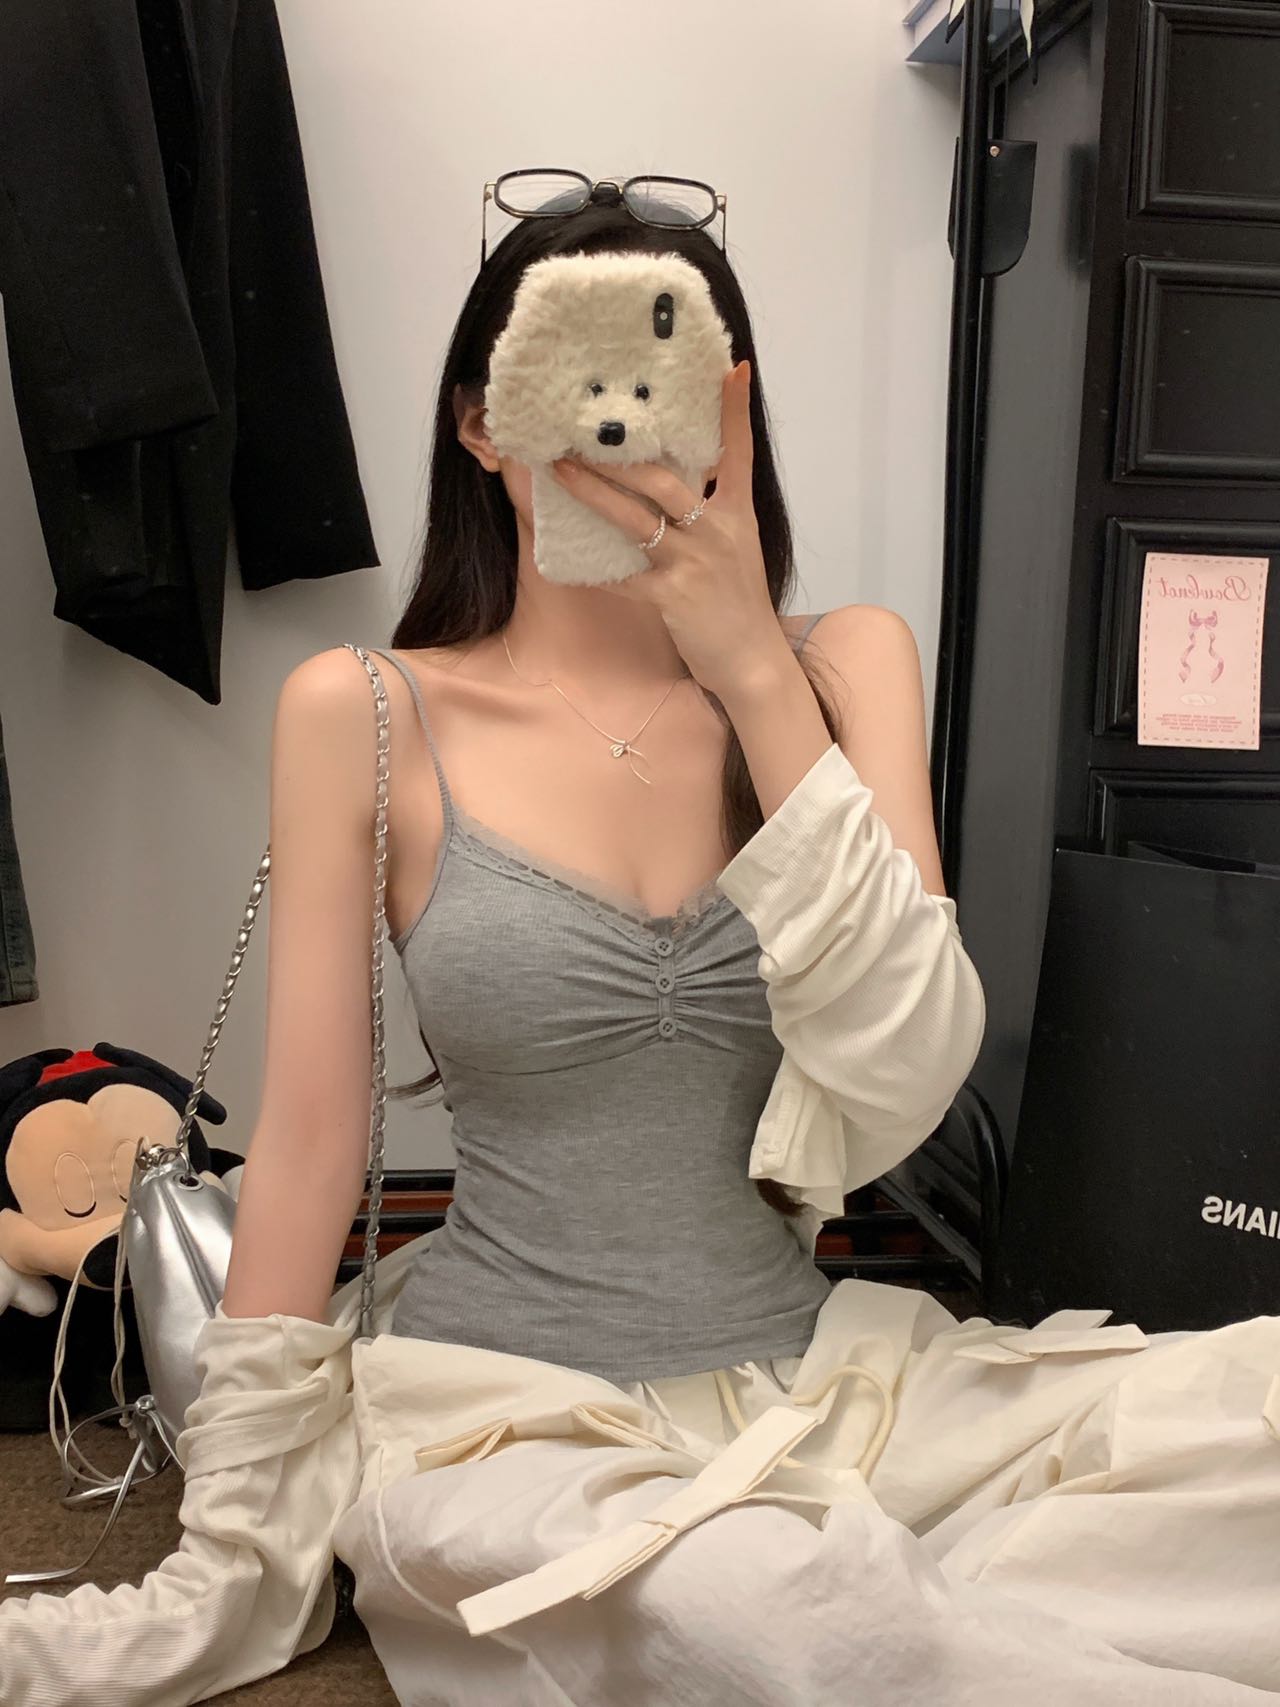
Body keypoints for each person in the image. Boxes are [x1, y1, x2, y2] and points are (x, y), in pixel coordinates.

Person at [3, 179, 1277, 1707]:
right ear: (483, 421)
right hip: (504, 1419)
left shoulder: (845, 665)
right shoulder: (370, 711)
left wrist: (755, 674)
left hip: (828, 1390)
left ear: (732, 406)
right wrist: (239, 1536)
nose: (623, 418)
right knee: (806, 1613)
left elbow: (907, 1076)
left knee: (1249, 1431)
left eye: (669, 368)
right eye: (575, 363)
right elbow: (312, 1145)